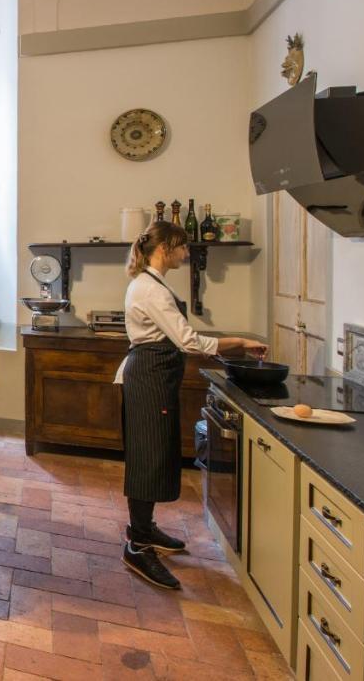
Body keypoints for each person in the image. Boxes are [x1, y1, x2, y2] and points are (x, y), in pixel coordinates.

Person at [115, 221, 266, 589]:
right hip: (149, 377)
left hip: (154, 376)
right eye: (182, 247)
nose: (186, 253)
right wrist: (240, 343)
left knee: (153, 452)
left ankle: (145, 530)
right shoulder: (151, 289)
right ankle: (136, 545)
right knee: (148, 456)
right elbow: (190, 342)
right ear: (164, 247)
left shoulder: (151, 284)